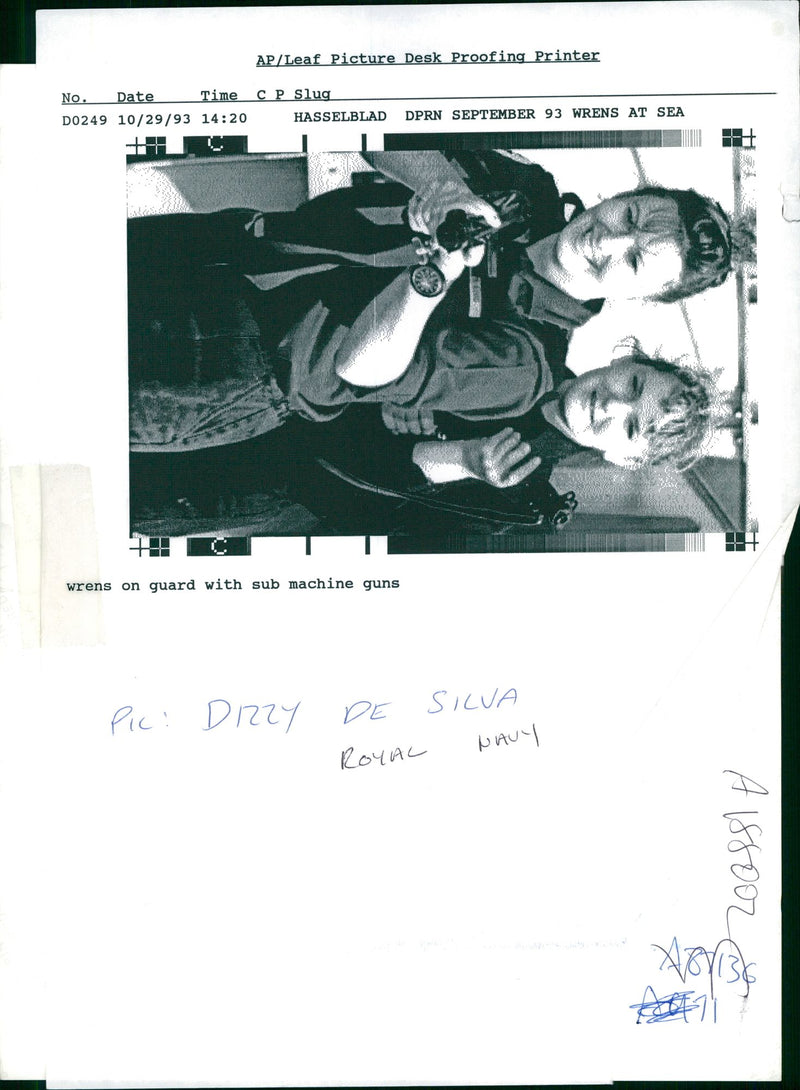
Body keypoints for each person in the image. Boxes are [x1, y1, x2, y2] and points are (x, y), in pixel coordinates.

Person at [128, 150, 732, 457]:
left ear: (645, 298)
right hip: (221, 244)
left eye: (633, 261)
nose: (608, 239)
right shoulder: (531, 187)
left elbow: (357, 371)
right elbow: (385, 130)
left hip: (231, 363)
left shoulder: (526, 363)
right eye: (628, 216)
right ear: (625, 194)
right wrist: (444, 184)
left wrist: (438, 270)